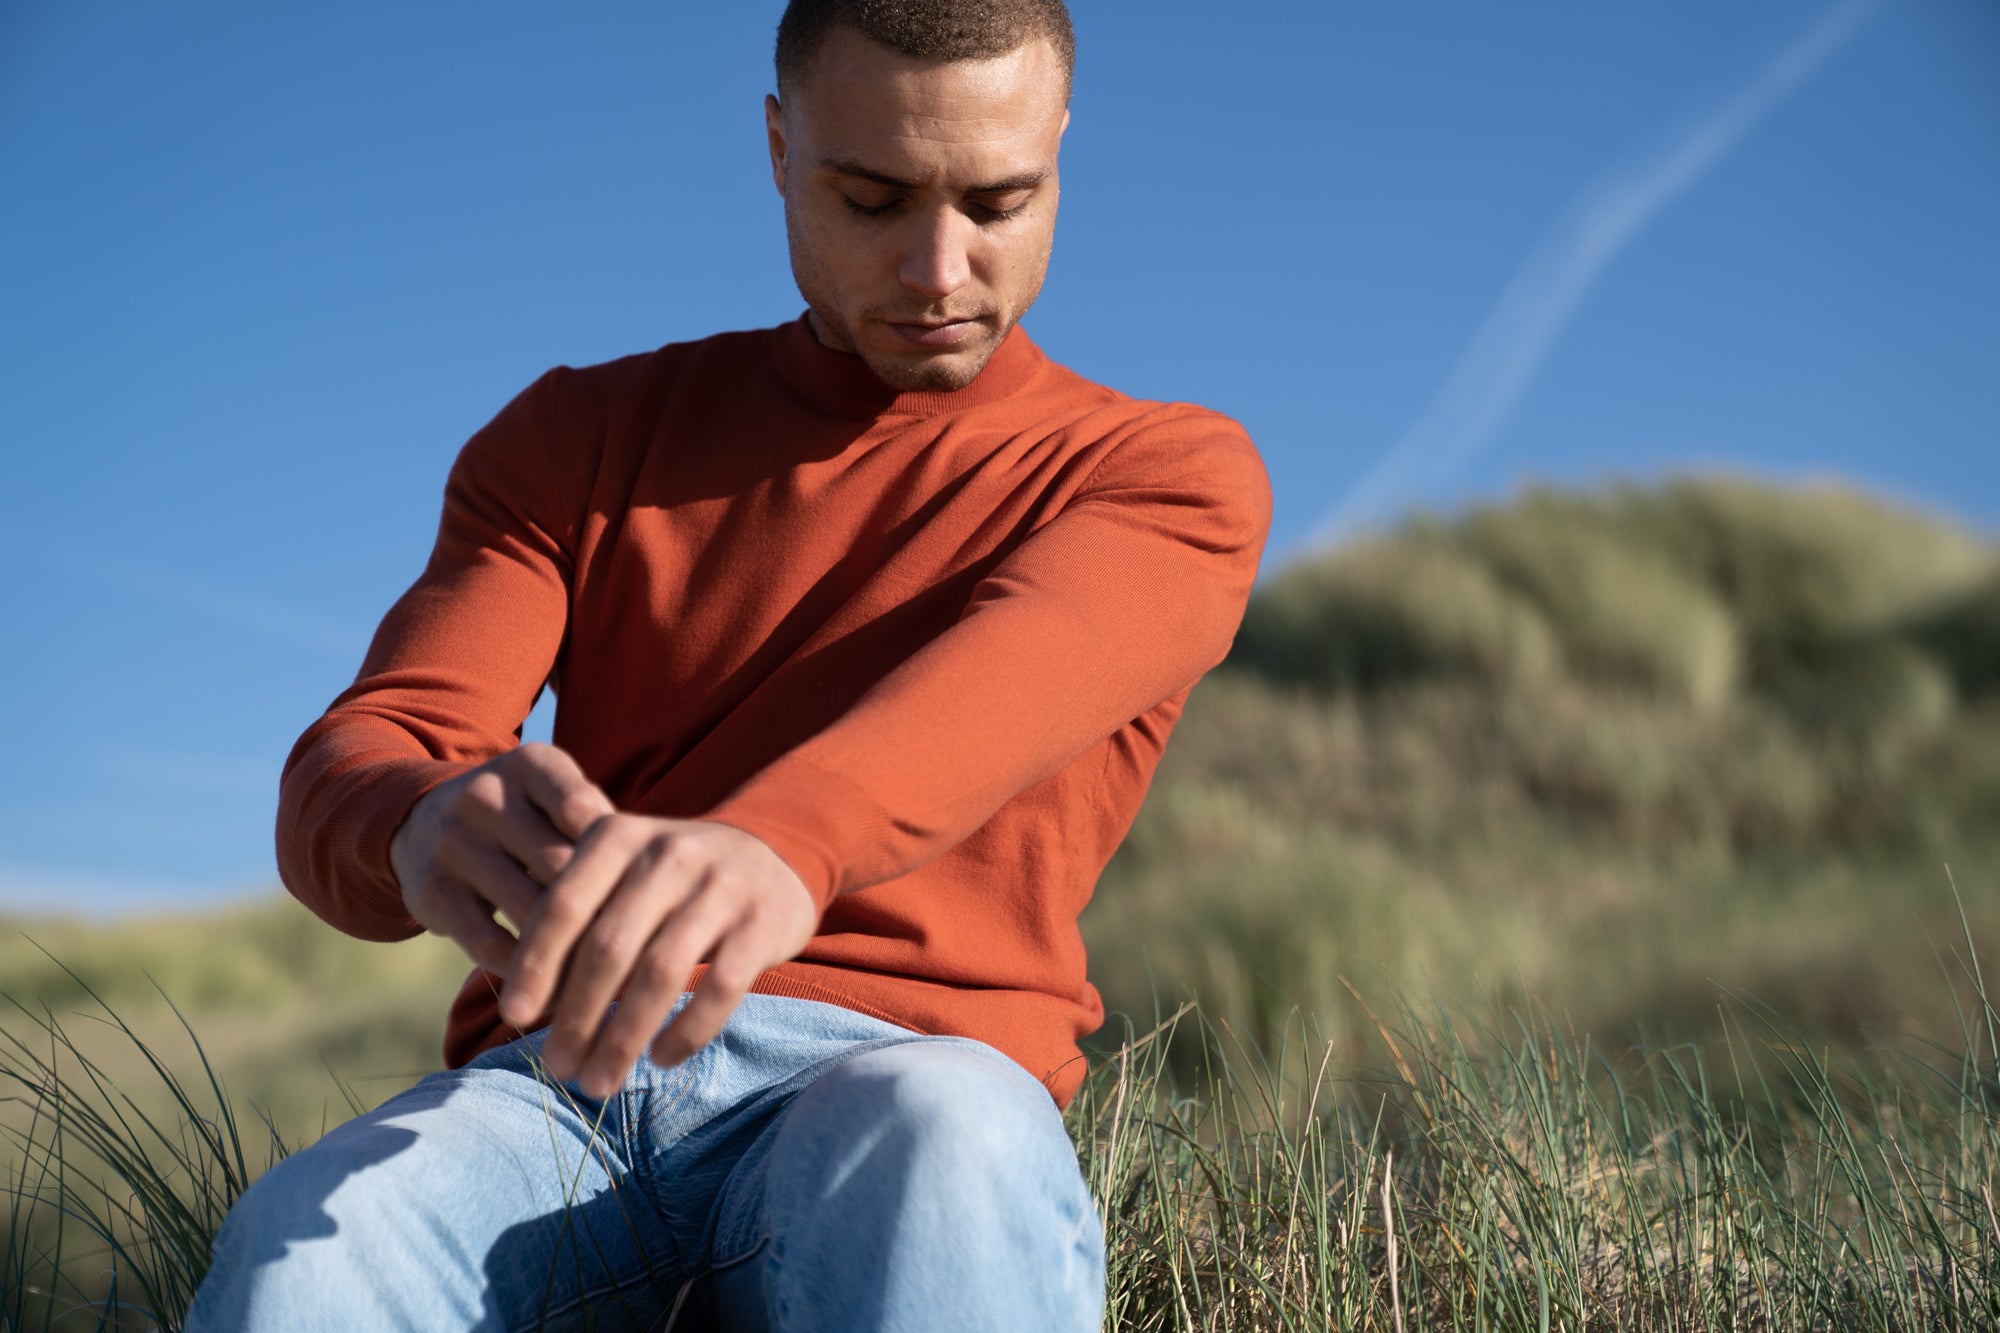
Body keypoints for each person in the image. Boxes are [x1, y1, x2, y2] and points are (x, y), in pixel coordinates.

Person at [187, 0, 1271, 1327]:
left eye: (998, 201)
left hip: (899, 1084)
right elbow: (377, 741)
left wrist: (779, 844)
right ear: (776, 147)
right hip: (555, 1097)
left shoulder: (1162, 476)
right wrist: (411, 817)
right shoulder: (578, 439)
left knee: (955, 1144)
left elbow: (996, 691)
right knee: (309, 1248)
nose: (940, 268)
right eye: (871, 199)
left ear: (1059, 152)